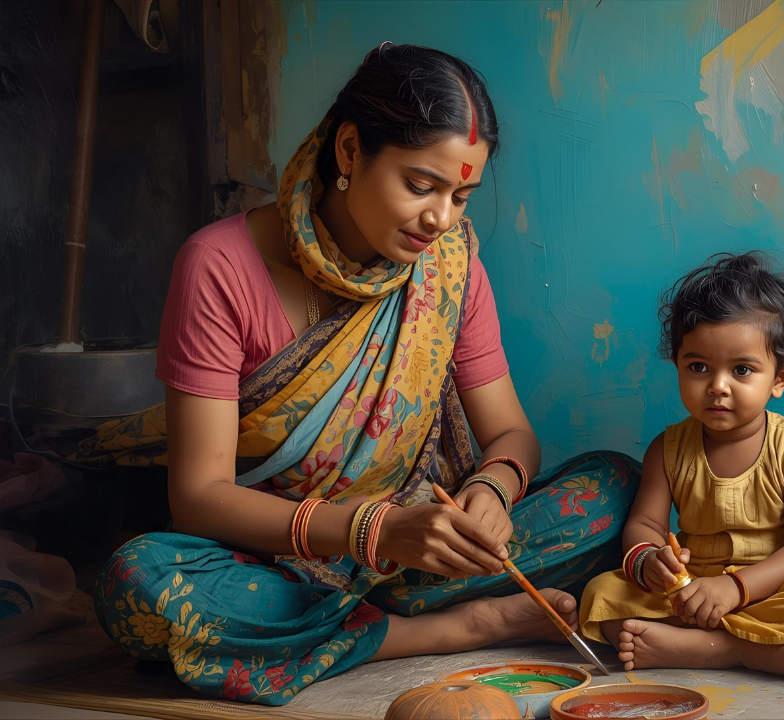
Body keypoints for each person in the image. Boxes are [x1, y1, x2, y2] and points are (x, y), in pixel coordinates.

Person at [84, 44, 638, 705]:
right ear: (349, 151)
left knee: (613, 485)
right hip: (272, 557)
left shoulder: (450, 263)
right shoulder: (219, 266)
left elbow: (512, 434)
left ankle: (362, 622)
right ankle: (451, 629)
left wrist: (491, 493)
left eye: (462, 195)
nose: (442, 219)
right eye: (420, 185)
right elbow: (200, 495)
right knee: (137, 583)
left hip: (417, 550)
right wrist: (369, 530)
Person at [578, 252, 784, 685]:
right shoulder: (668, 449)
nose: (717, 386)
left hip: (776, 589)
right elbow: (644, 523)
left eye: (742, 370)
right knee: (602, 594)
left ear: (780, 378)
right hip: (693, 589)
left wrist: (736, 588)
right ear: (676, 364)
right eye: (698, 367)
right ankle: (755, 650)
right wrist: (650, 559)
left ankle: (722, 650)